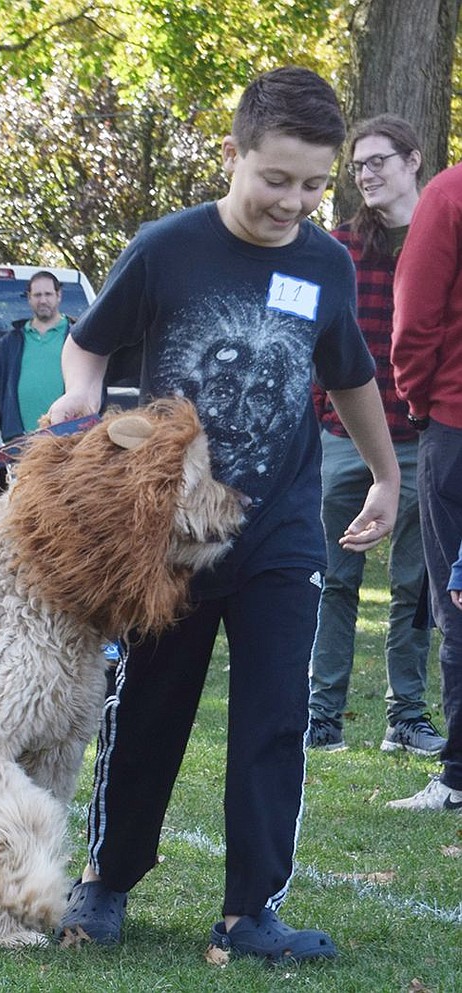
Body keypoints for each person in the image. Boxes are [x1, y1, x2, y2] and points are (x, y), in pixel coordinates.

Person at [47, 67, 399, 961]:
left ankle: (251, 913)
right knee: (151, 704)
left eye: (315, 182)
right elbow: (86, 344)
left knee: (277, 712)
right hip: (171, 535)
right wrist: (80, 403)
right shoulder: (169, 248)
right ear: (236, 154)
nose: (295, 200)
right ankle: (105, 883)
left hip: (279, 527)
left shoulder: (322, 260)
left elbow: (351, 376)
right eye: (276, 178)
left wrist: (386, 479)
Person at [308, 116, 444, 757]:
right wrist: (323, 411)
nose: (366, 174)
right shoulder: (337, 249)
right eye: (358, 165)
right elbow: (314, 344)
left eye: (378, 161)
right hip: (345, 440)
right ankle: (322, 716)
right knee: (334, 578)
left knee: (417, 588)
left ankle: (407, 717)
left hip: (422, 439)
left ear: (414, 161)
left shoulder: (443, 238)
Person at [390, 150, 462, 814]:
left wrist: (418, 403)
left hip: (457, 423)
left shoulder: (449, 193)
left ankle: (460, 775)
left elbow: (414, 321)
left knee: (459, 600)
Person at [0, 270, 71, 461]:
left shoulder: (75, 337)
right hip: (19, 444)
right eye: (37, 295)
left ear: (59, 296)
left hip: (66, 441)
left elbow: (94, 389)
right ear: (29, 299)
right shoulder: (11, 341)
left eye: (48, 294)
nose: (43, 300)